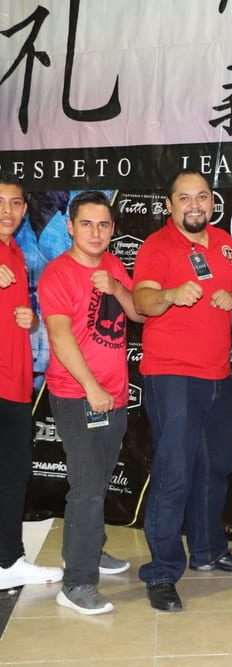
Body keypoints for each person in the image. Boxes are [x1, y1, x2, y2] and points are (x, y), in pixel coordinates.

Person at [133, 170, 232, 612]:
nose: (194, 205)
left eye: (202, 196)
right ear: (170, 205)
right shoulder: (157, 246)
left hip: (218, 375)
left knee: (216, 466)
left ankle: (208, 549)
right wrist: (170, 295)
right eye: (184, 198)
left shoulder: (224, 242)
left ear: (212, 202)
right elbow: (142, 301)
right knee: (175, 472)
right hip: (172, 376)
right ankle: (162, 571)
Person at [38, 190, 143, 614]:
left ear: (113, 229)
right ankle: (77, 583)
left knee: (97, 482)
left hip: (113, 395)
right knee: (86, 489)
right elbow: (60, 335)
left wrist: (116, 287)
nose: (95, 233)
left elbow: (138, 313)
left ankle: (88, 548)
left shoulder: (114, 265)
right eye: (86, 224)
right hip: (76, 395)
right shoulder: (58, 274)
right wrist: (91, 387)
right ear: (70, 226)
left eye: (103, 225)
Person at [0, 174, 63, 591]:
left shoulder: (16, 254)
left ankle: (7, 560)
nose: (7, 211)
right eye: (0, 201)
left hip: (15, 383)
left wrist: (33, 319)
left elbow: (18, 317)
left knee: (14, 473)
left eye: (15, 203)